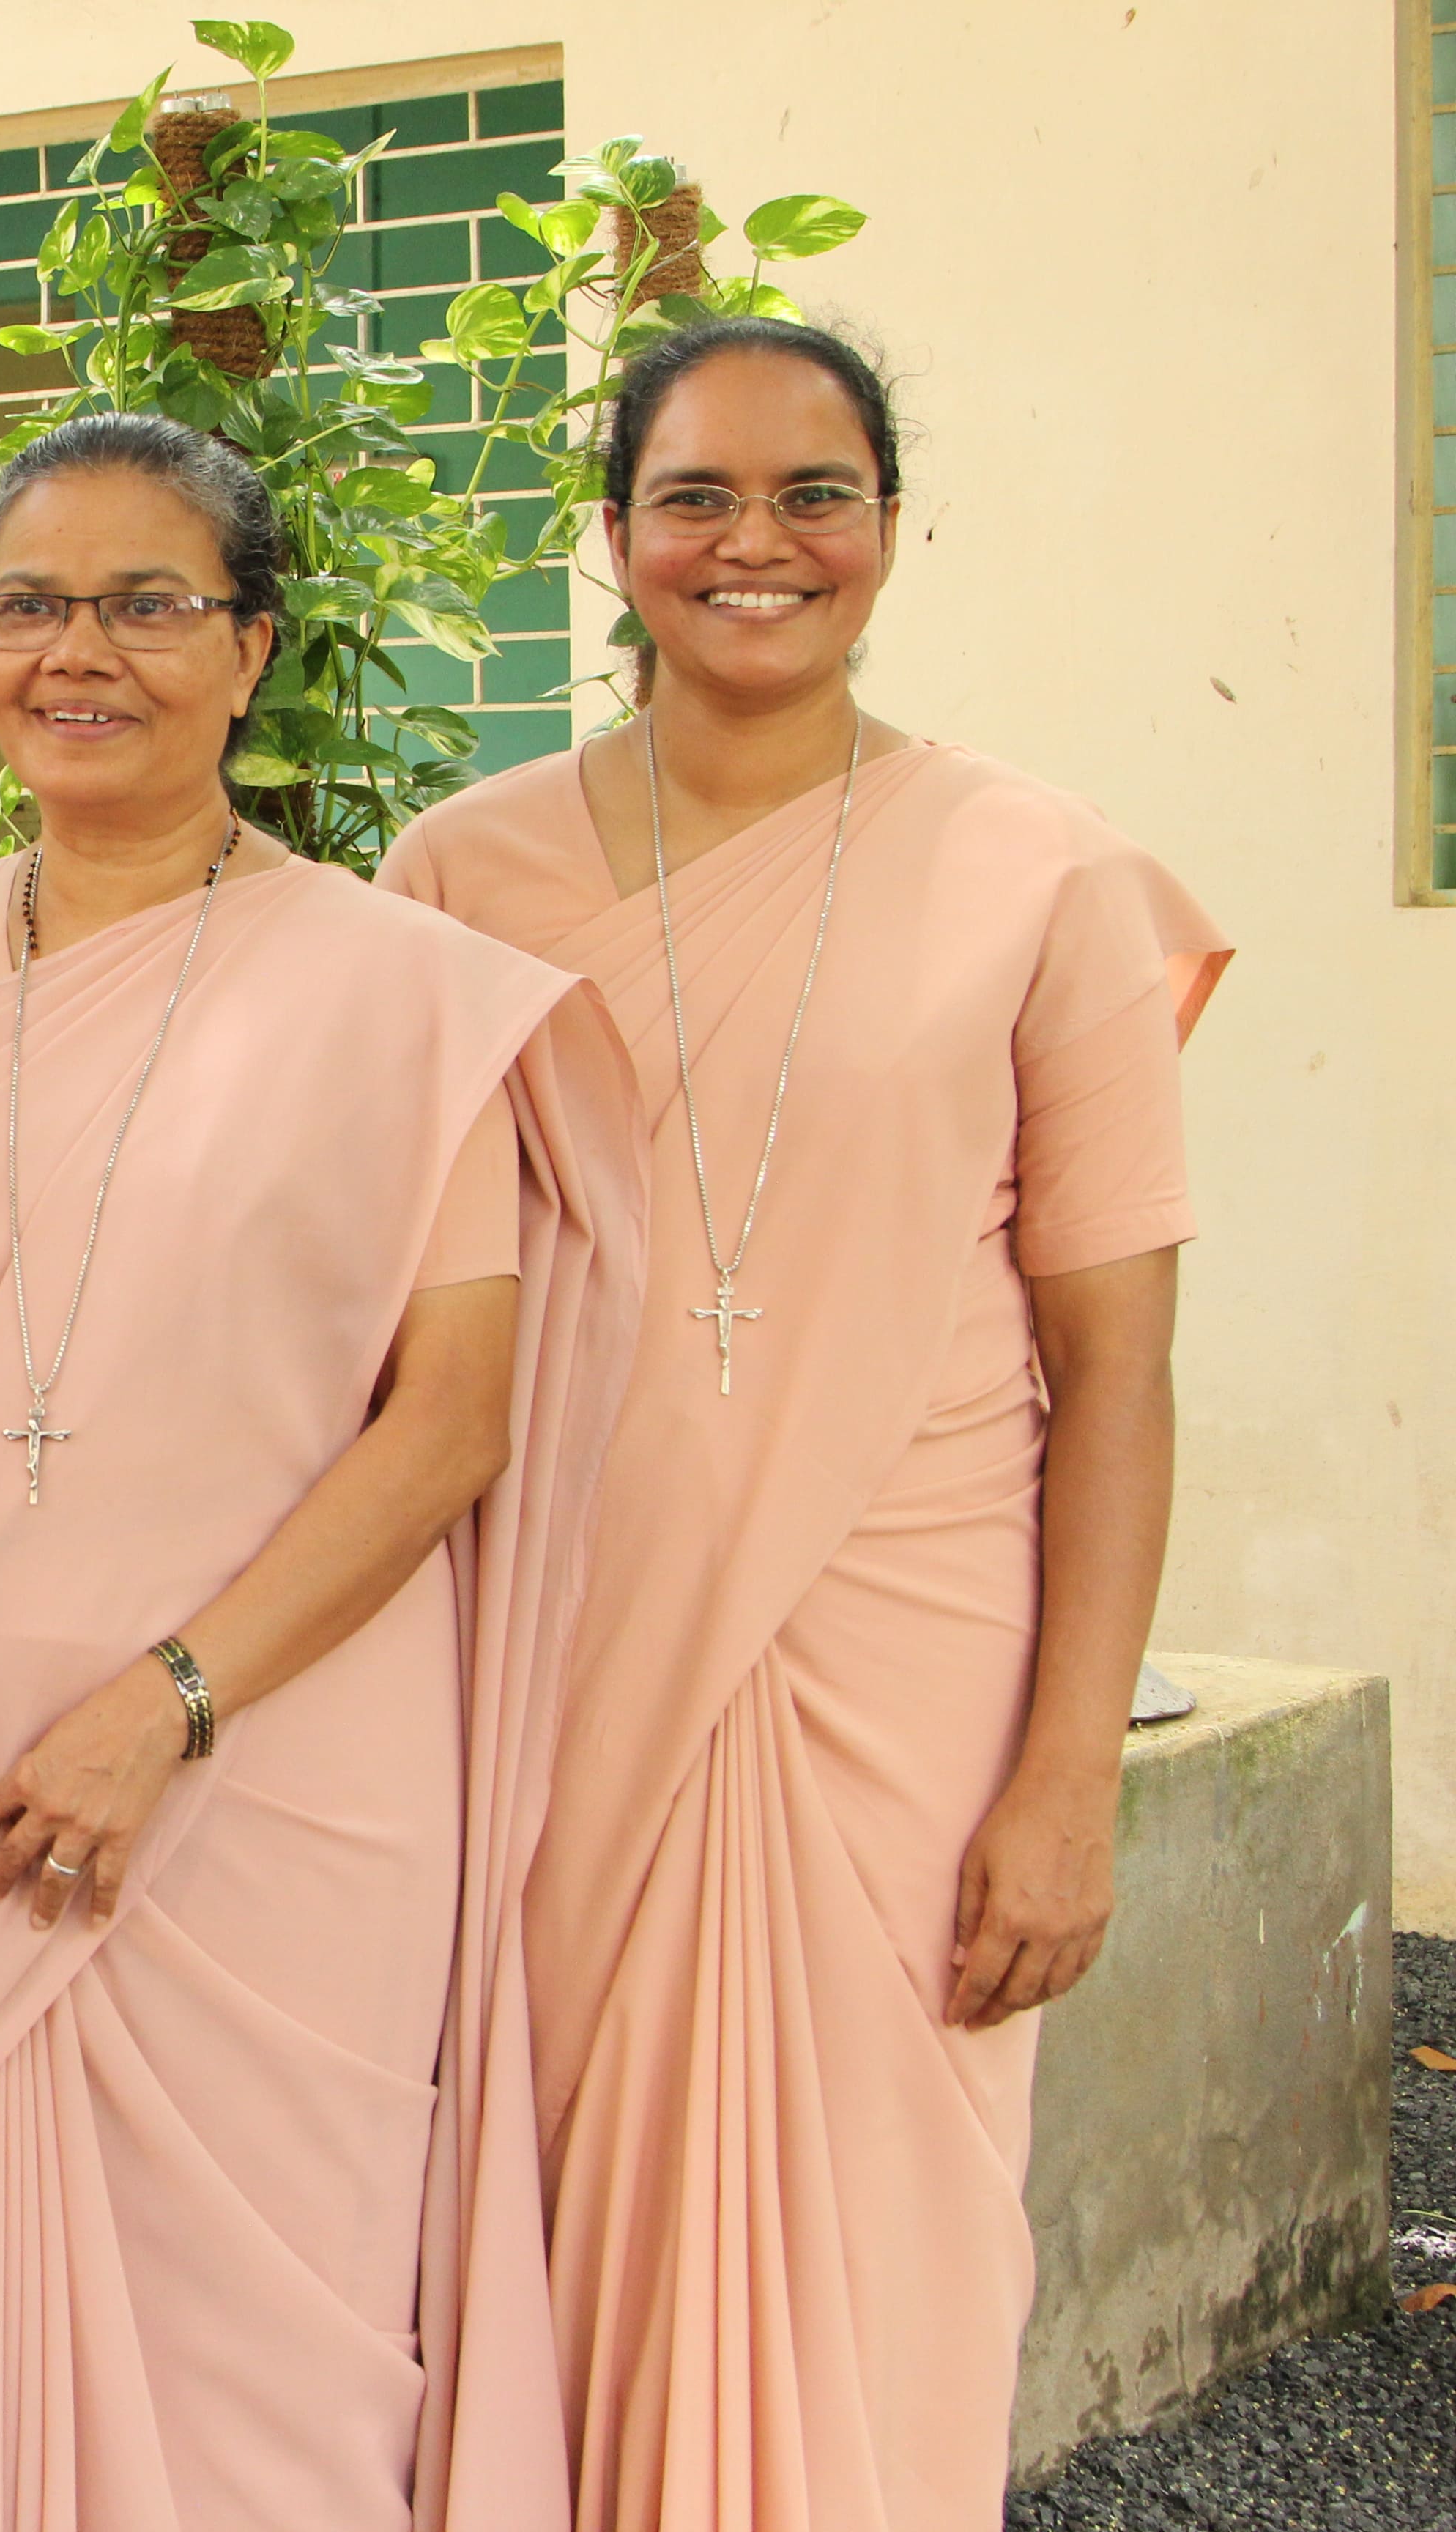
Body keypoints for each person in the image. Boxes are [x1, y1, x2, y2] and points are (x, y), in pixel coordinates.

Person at [379, 316, 1230, 2532]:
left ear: (887, 528)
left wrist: (1070, 1780)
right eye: (697, 499)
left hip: (909, 1671)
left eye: (813, 495)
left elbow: (1119, 1372)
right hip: (564, 1657)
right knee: (564, 2227)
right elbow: (396, 1348)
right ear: (614, 539)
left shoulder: (1045, 876)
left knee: (887, 2253)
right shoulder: (456, 879)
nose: (757, 545)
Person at [0, 412, 636, 2532]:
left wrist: (171, 1698)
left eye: (148, 606)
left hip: (278, 1775)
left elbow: (450, 1419)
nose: (78, 656)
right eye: (29, 607)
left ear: (252, 648)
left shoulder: (406, 992)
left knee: (285, 2358)